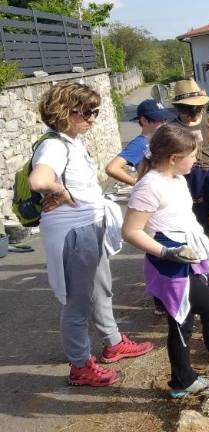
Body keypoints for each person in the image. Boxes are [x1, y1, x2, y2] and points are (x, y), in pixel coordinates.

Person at [29, 82, 153, 387]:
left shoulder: (71, 142)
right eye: (87, 112)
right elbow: (39, 179)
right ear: (65, 111)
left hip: (88, 227)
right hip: (75, 231)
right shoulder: (55, 145)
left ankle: (112, 342)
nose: (93, 118)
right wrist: (63, 192)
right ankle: (80, 364)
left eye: (95, 112)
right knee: (78, 302)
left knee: (101, 290)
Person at [122, 123, 209, 398]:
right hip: (168, 265)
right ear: (174, 158)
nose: (196, 159)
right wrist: (166, 253)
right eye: (192, 155)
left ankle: (181, 380)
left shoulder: (176, 180)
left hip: (188, 257)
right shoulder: (149, 187)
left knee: (182, 320)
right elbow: (130, 231)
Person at [171, 79, 209, 237]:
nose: (193, 117)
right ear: (180, 109)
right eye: (187, 113)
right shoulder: (173, 128)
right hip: (190, 182)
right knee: (200, 229)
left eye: (196, 112)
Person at [105, 99, 175, 186]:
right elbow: (112, 168)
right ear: (144, 121)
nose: (164, 123)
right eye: (160, 120)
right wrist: (137, 183)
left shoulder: (162, 139)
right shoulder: (139, 144)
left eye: (165, 119)